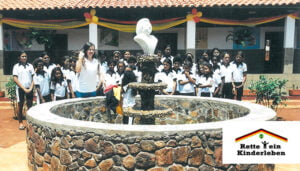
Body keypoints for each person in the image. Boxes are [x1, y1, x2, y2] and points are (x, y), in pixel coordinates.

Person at [12, 51, 34, 130]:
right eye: (22, 56)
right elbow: (15, 78)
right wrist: (23, 88)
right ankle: (20, 123)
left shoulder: (30, 66)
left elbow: (33, 78)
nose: (24, 58)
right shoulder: (16, 67)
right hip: (20, 89)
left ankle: (30, 123)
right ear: (19, 57)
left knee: (30, 105)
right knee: (20, 105)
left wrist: (30, 88)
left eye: (25, 56)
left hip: (29, 88)